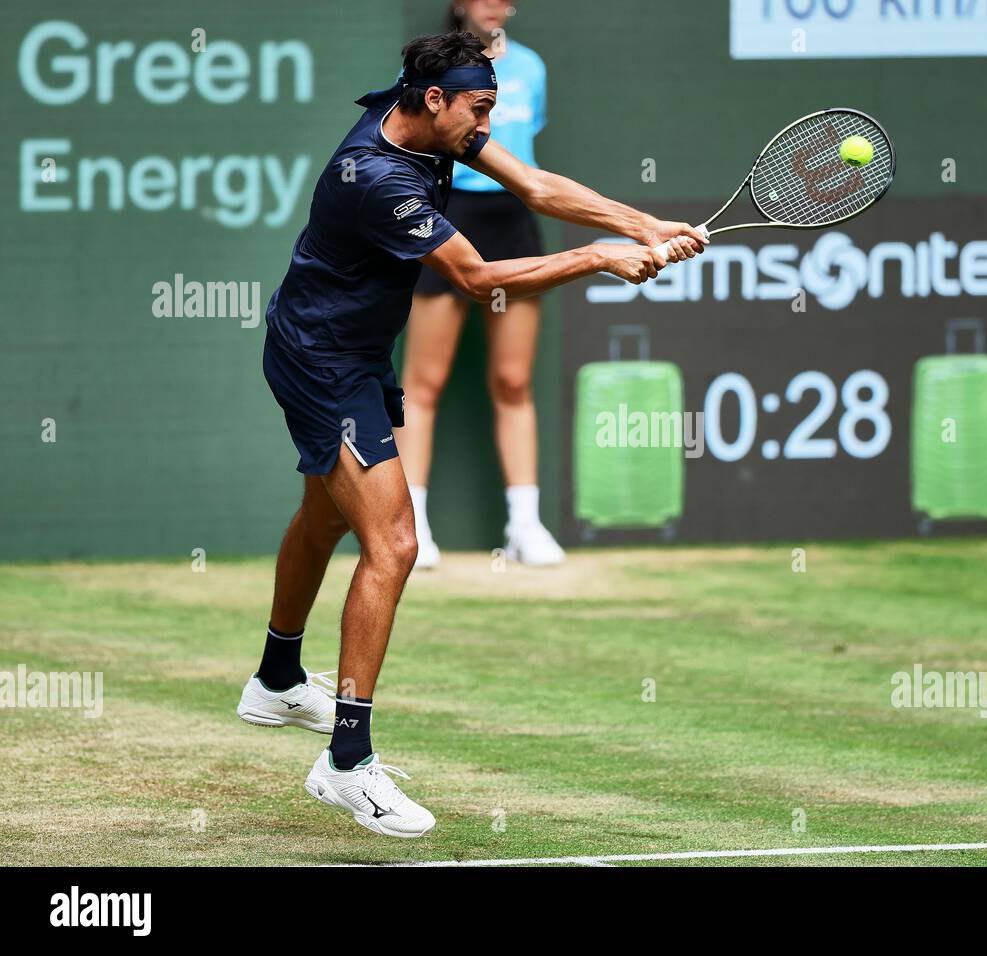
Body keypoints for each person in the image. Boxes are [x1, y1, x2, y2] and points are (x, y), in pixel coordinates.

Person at [237, 30, 705, 838]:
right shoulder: (380, 180)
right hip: (322, 361)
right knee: (393, 545)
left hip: (346, 346)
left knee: (325, 517)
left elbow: (533, 184)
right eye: (479, 111)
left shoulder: (434, 118)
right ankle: (347, 762)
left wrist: (641, 222)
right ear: (432, 100)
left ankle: (278, 678)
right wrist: (598, 257)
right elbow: (478, 278)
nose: (486, 126)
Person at [400, 0, 560, 568]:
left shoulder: (532, 68)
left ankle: (524, 525)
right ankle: (412, 525)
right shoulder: (430, 70)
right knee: (425, 381)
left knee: (514, 379)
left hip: (512, 219)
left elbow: (523, 150)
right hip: (447, 215)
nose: (498, 4)